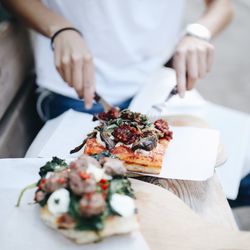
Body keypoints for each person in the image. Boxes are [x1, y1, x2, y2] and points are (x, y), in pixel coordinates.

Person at [3, 0, 233, 121]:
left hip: (158, 87)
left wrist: (199, 32)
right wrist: (60, 29)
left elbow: (222, 4)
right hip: (77, 92)